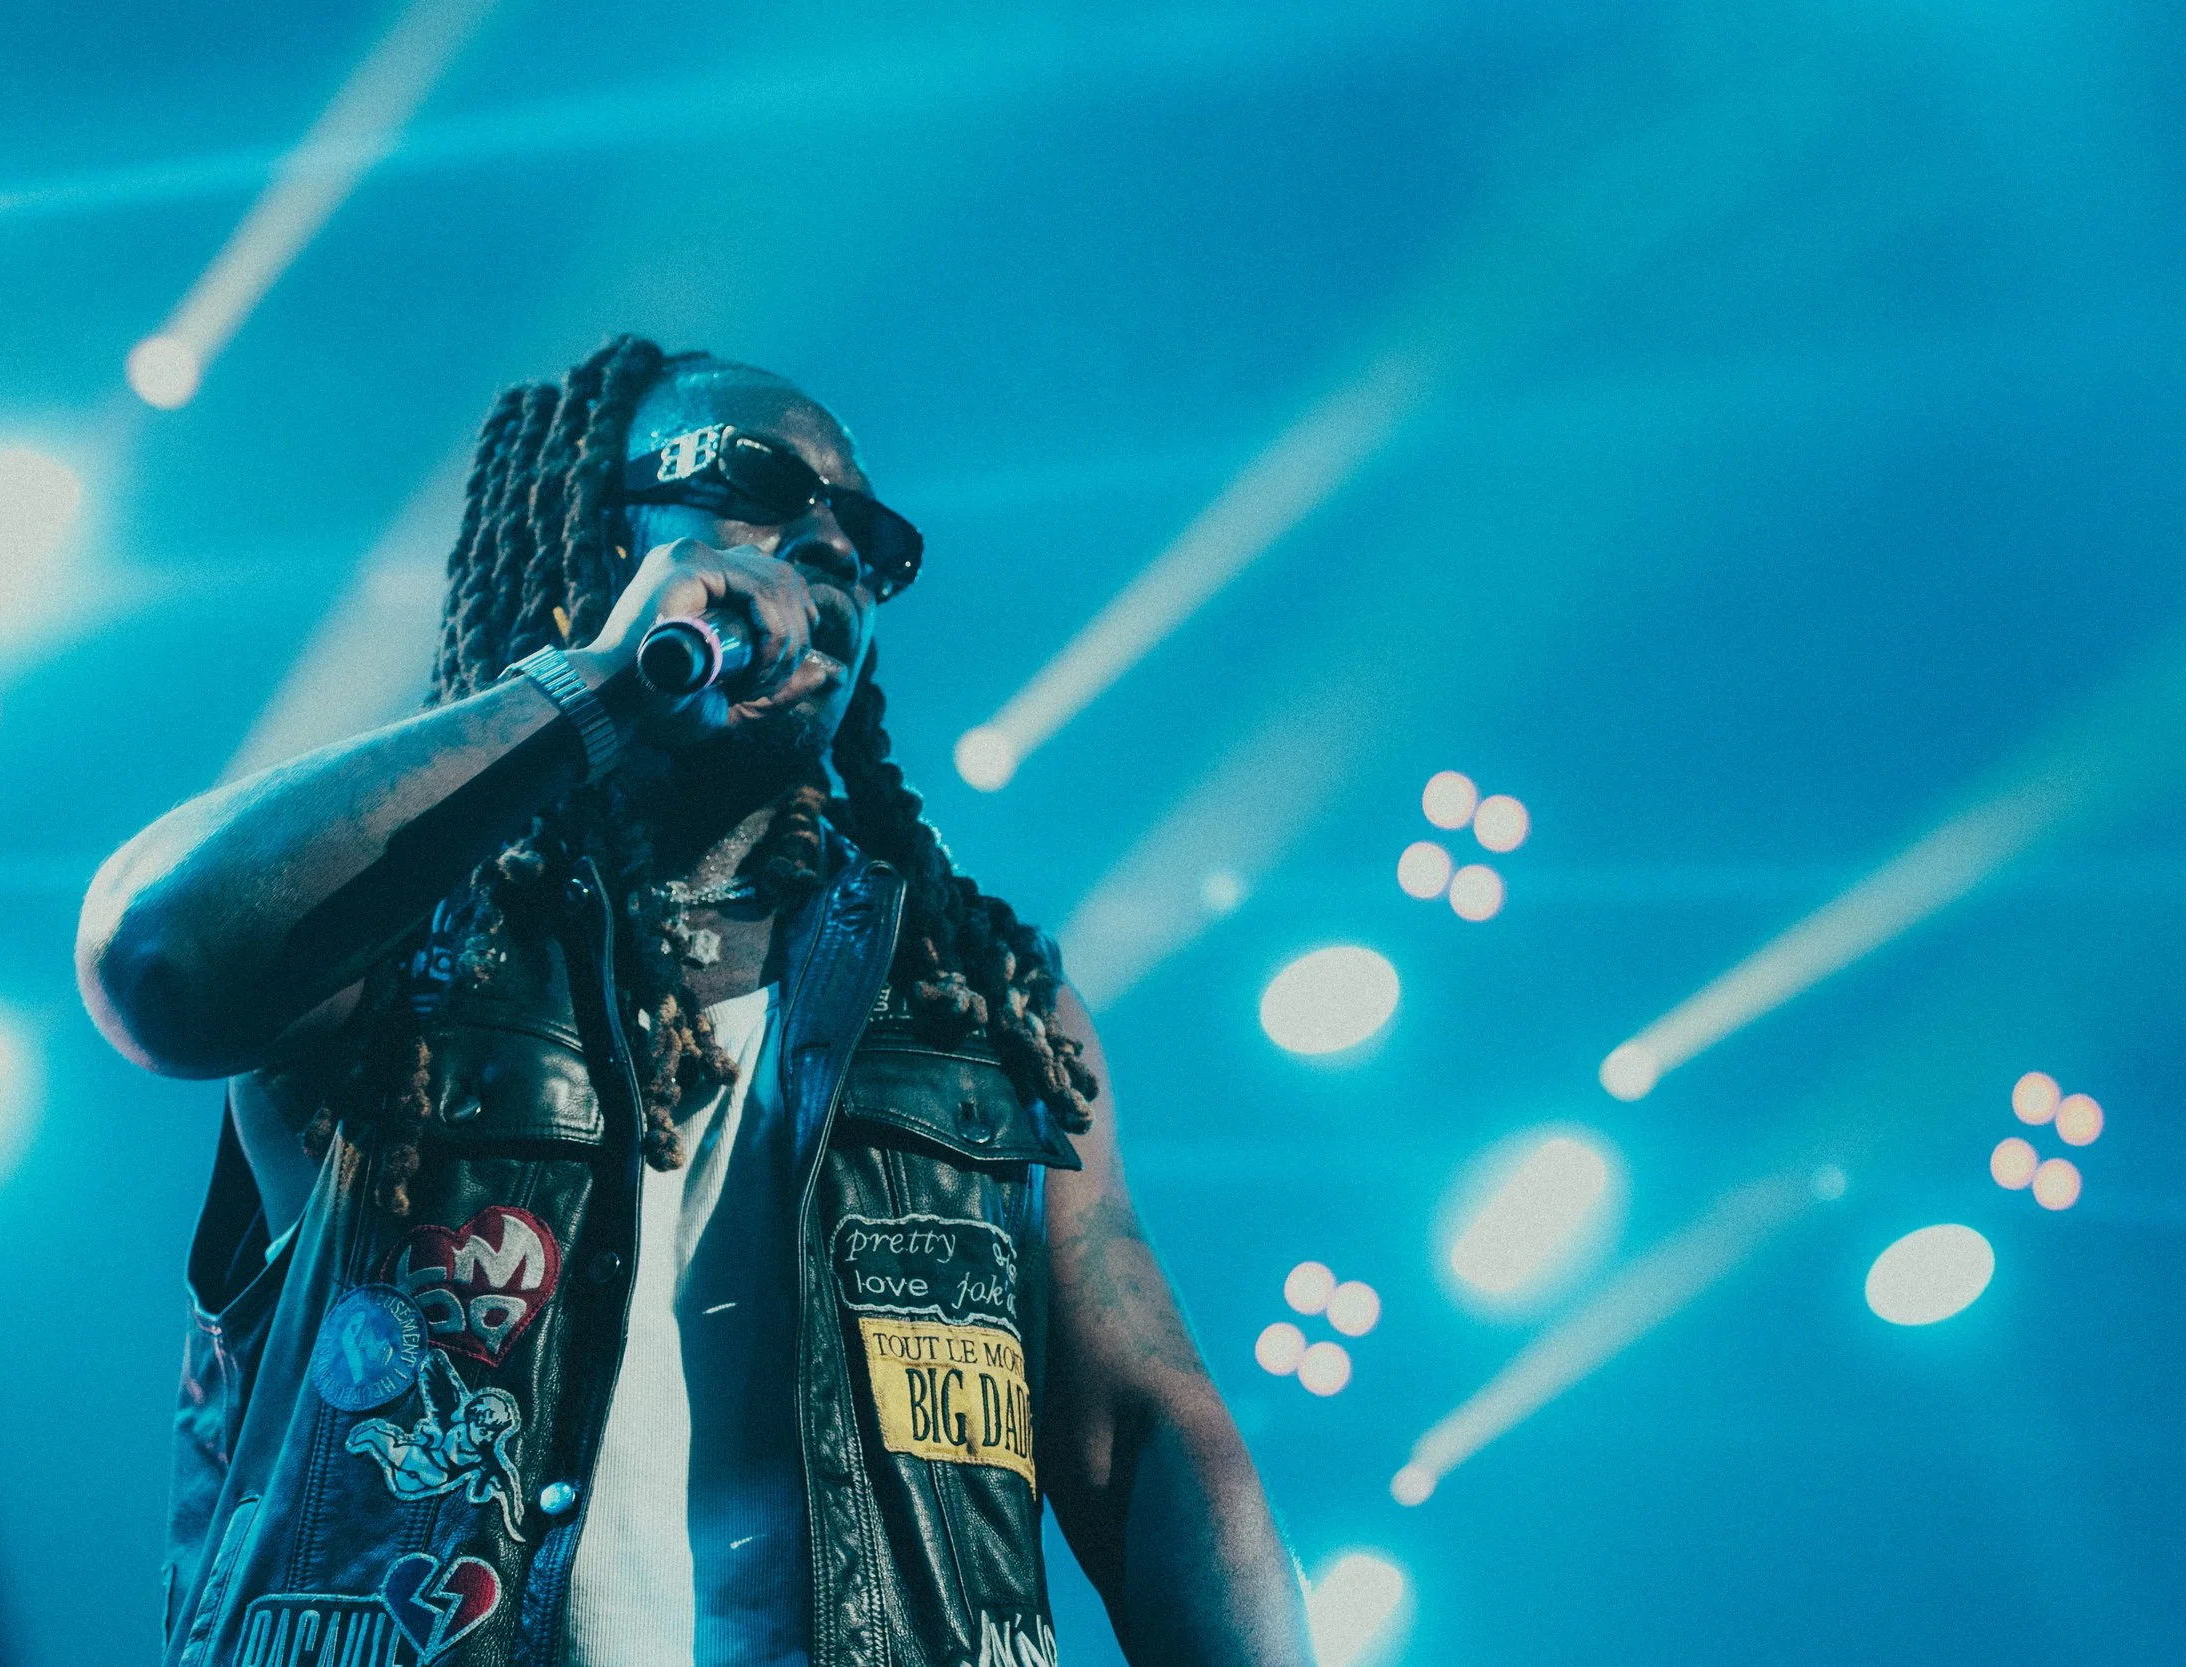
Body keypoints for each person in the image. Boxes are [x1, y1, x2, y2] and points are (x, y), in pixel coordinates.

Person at [76, 336, 1314, 1667]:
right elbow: (161, 963)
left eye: (869, 544)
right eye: (760, 484)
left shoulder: (978, 1004)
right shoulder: (401, 942)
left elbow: (1145, 1431)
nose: (829, 545)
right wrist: (603, 685)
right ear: (602, 536)